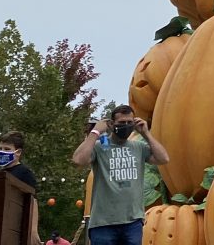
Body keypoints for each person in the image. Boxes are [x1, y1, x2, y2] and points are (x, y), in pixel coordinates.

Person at [71, 104, 169, 245]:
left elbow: (163, 158)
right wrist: (95, 132)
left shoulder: (139, 148)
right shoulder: (99, 147)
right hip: (103, 224)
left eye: (130, 122)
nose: (126, 126)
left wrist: (146, 134)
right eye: (122, 123)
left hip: (132, 223)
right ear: (111, 124)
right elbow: (78, 160)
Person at [0, 131, 41, 245]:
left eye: (7, 149)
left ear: (18, 152)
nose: (2, 152)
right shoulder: (0, 175)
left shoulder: (24, 173)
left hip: (14, 228)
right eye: (0, 148)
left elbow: (33, 201)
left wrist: (33, 230)